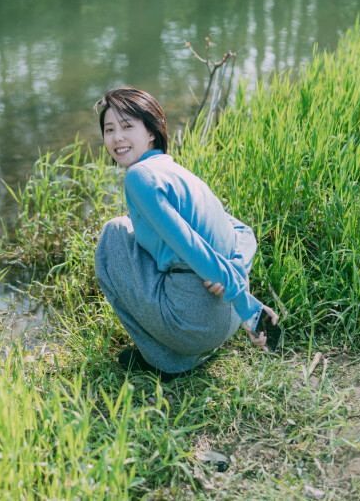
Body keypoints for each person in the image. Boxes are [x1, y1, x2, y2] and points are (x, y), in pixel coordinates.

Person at [93, 86, 279, 381]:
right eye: (109, 129)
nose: (117, 138)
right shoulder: (180, 173)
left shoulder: (139, 177)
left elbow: (189, 245)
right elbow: (244, 231)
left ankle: (164, 360)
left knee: (114, 233)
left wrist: (247, 306)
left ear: (151, 132)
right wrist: (236, 273)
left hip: (195, 321)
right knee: (134, 229)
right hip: (224, 319)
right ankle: (183, 351)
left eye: (127, 126)